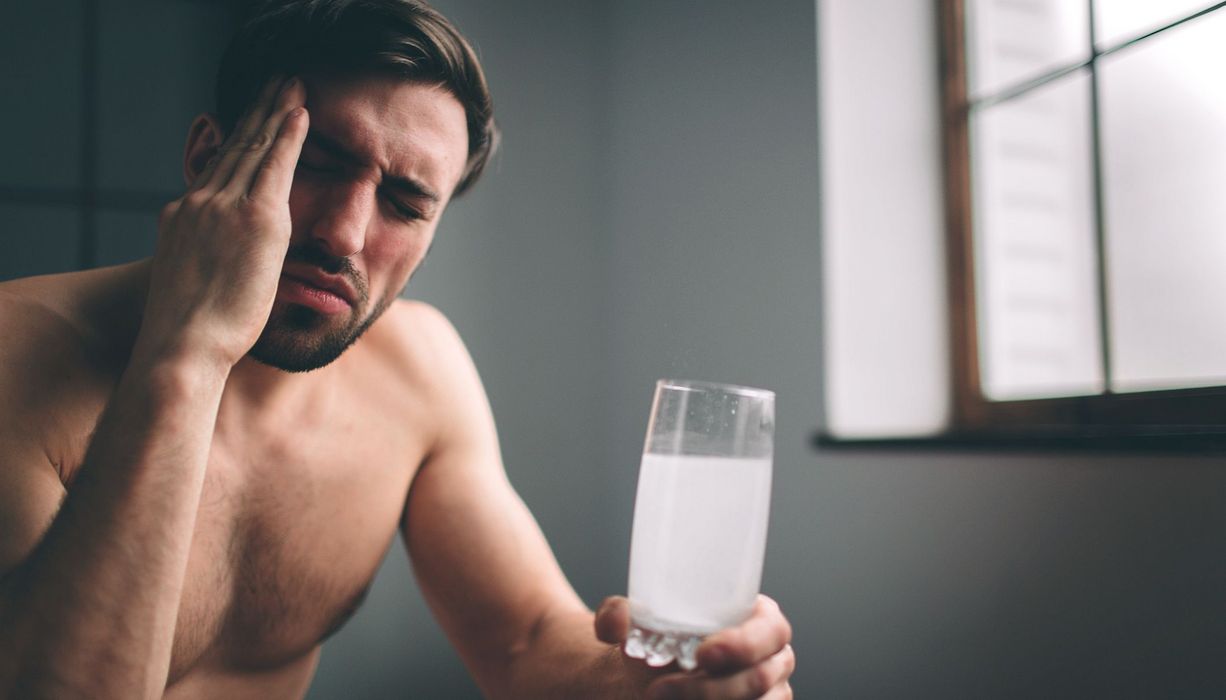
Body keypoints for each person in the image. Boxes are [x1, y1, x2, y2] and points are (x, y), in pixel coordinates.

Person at [0, 1, 795, 697]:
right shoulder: (16, 354)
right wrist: (190, 354)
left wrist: (658, 689)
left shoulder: (419, 374)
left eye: (406, 204)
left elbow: (525, 644)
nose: (345, 233)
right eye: (316, 164)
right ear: (210, 161)